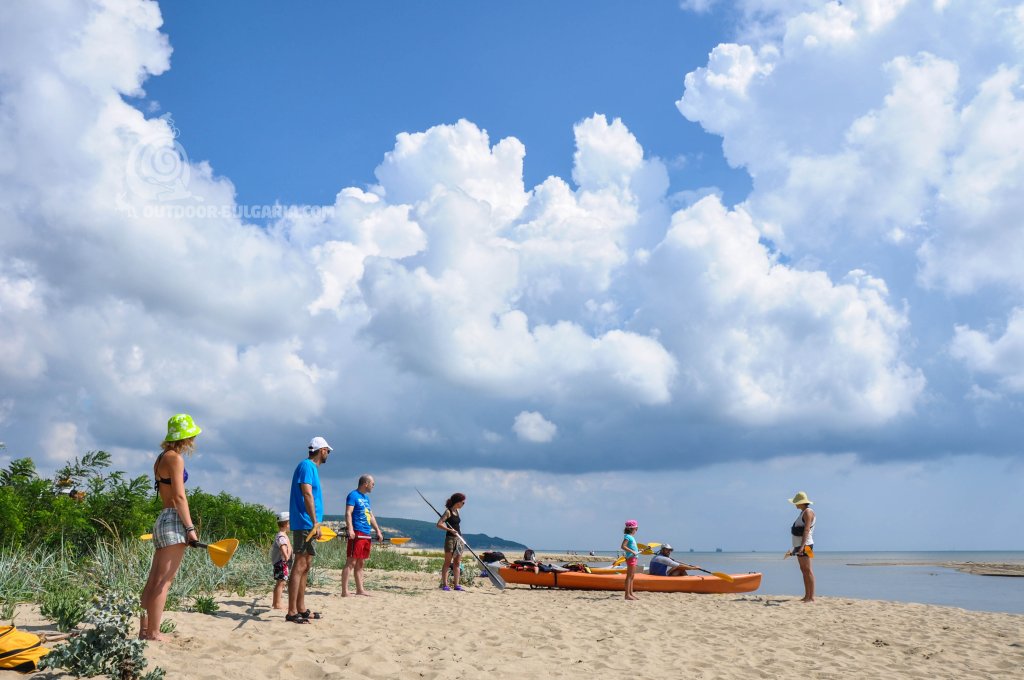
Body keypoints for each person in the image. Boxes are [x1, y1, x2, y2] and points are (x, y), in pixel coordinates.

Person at [139, 414, 202, 640]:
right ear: (185, 437)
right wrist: (190, 529)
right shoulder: (175, 458)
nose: (194, 439)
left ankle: (144, 630)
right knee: (164, 580)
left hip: (162, 519)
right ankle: (154, 632)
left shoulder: (161, 457)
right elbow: (179, 497)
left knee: (154, 579)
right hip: (173, 520)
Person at [286, 436, 332, 624]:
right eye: (327, 450)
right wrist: (315, 522)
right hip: (305, 522)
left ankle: (301, 608)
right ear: (321, 450)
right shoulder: (306, 466)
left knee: (306, 565)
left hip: (310, 523)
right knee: (300, 564)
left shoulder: (311, 468)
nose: (328, 454)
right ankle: (291, 611)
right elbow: (307, 493)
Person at [341, 474, 384, 597]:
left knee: (361, 563)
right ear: (366, 483)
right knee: (351, 562)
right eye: (372, 483)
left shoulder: (366, 498)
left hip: (366, 532)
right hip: (357, 532)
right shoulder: (353, 495)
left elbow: (370, 516)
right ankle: (345, 591)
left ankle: (360, 590)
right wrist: (350, 529)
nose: (373, 486)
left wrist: (378, 530)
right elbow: (348, 513)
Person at [789, 491, 816, 603]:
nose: (795, 504)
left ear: (801, 502)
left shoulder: (808, 513)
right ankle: (807, 595)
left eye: (796, 502)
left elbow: (806, 530)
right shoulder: (803, 512)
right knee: (803, 570)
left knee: (808, 570)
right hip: (800, 545)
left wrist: (802, 546)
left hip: (806, 545)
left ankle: (811, 597)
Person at [436, 492, 466, 591]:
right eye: (463, 502)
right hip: (450, 539)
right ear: (457, 502)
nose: (463, 504)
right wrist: (450, 530)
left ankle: (456, 585)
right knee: (447, 562)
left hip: (459, 539)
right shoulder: (448, 512)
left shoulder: (458, 511)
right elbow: (439, 524)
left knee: (457, 562)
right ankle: (445, 585)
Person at [270, 512, 292, 610]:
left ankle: (275, 603)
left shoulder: (282, 534)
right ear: (286, 524)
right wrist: (286, 556)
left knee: (280, 582)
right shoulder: (281, 536)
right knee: (281, 582)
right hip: (281, 562)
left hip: (280, 562)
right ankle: (277, 604)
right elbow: (282, 545)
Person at [620, 520, 640, 600]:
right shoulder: (628, 536)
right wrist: (632, 552)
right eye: (636, 529)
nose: (636, 530)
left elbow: (632, 547)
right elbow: (623, 546)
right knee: (629, 577)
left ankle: (631, 593)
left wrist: (637, 550)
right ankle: (627, 595)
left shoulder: (631, 537)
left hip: (634, 557)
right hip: (631, 558)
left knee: (632, 576)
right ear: (632, 529)